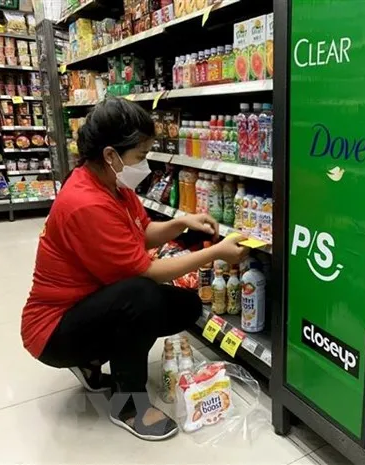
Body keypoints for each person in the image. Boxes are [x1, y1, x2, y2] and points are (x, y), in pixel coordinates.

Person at [21, 98, 248, 441]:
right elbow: (147, 272)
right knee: (141, 297)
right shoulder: (85, 202)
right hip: (53, 329)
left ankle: (91, 362)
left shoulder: (111, 185)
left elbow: (141, 233)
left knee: (185, 306)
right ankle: (128, 404)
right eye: (141, 156)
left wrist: (182, 223)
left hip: (87, 304)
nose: (145, 164)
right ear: (111, 155)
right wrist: (215, 253)